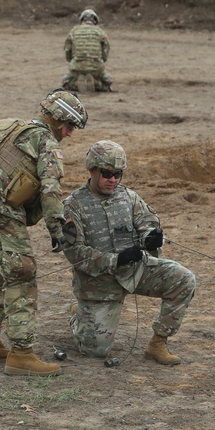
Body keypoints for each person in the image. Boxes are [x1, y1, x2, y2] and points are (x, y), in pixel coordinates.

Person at [0, 89, 89, 377]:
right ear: (57, 120)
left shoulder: (12, 127)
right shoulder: (45, 140)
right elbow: (51, 187)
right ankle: (21, 353)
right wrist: (57, 228)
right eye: (69, 127)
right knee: (22, 273)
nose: (69, 134)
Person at [60, 140, 196, 365]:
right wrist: (116, 259)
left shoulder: (129, 197)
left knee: (183, 279)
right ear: (92, 170)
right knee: (96, 350)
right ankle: (79, 315)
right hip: (99, 282)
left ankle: (158, 343)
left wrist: (151, 238)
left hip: (135, 270)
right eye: (106, 174)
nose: (113, 180)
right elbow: (76, 253)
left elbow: (147, 225)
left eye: (118, 174)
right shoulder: (72, 206)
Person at [62, 8, 113, 93]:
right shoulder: (100, 32)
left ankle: (76, 83)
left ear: (81, 20)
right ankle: (97, 83)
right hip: (96, 67)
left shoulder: (74, 31)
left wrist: (72, 60)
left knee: (65, 82)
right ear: (95, 21)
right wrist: (100, 61)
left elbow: (68, 51)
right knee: (108, 82)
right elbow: (105, 52)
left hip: (76, 67)